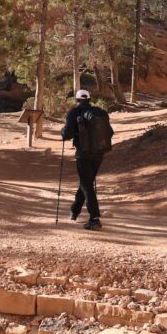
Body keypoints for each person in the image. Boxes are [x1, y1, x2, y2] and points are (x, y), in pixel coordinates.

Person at [61, 89, 112, 231]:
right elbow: (110, 132)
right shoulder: (99, 112)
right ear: (89, 99)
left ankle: (94, 218)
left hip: (83, 154)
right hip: (99, 153)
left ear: (77, 99)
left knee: (86, 184)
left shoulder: (74, 112)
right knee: (87, 182)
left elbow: (67, 134)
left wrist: (63, 132)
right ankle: (74, 211)